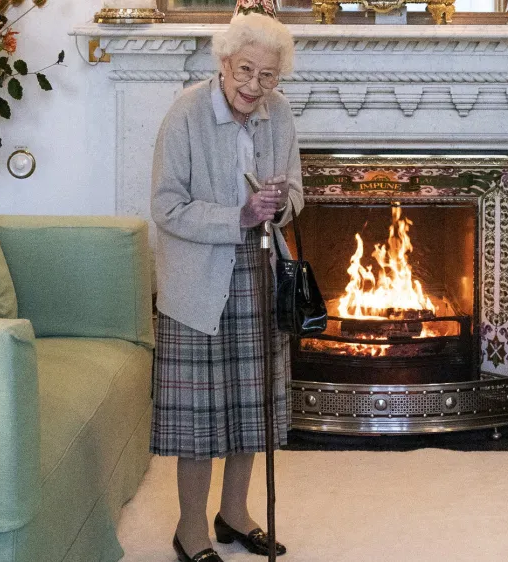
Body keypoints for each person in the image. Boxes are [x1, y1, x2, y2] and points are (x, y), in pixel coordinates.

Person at [149, 12, 301, 562]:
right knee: (199, 418)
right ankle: (191, 529)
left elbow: (296, 194)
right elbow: (165, 207)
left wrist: (280, 206)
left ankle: (233, 514)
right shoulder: (187, 112)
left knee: (249, 404)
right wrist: (237, 216)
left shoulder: (279, 114)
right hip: (196, 282)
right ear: (223, 63)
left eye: (268, 76)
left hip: (259, 273)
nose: (254, 86)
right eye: (245, 70)